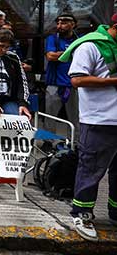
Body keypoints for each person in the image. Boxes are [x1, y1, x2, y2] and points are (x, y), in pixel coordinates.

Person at [58, 13, 117, 242]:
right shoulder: (90, 45)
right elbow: (77, 80)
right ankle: (81, 212)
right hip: (99, 119)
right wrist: (113, 81)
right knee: (91, 168)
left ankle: (114, 212)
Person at [44, 13, 80, 127]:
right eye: (58, 23)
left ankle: (74, 142)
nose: (59, 26)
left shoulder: (79, 40)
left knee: (75, 116)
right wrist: (72, 53)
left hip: (73, 84)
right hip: (55, 84)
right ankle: (48, 141)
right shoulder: (53, 38)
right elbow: (50, 56)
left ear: (73, 24)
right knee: (50, 115)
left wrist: (60, 54)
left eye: (63, 23)